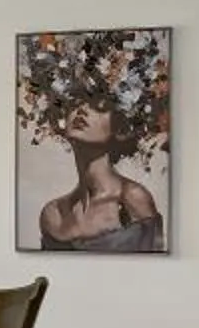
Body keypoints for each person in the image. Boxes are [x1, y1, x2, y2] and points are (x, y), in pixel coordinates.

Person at [18, 31, 169, 253]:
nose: (81, 111)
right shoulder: (54, 215)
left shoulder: (131, 200)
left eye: (98, 105)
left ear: (120, 126)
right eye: (74, 101)